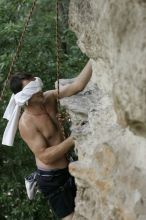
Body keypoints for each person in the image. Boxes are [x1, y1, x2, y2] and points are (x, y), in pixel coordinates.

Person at [2, 60, 92, 220]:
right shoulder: (26, 124)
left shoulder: (49, 97)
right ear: (26, 97)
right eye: (33, 88)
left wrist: (94, 59)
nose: (40, 89)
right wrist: (74, 138)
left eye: (37, 83)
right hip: (52, 180)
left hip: (68, 166)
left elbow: (77, 85)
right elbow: (45, 156)